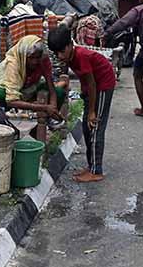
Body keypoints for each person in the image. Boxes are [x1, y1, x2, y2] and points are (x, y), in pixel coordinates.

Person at [48, 25, 116, 183]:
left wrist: (92, 111)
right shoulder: (69, 56)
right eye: (56, 53)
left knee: (95, 126)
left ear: (70, 45)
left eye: (62, 51)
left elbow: (93, 84)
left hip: (103, 85)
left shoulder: (81, 56)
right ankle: (91, 165)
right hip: (91, 88)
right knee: (86, 128)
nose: (59, 56)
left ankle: (96, 171)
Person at [0, 35, 66, 121]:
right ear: (24, 56)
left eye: (37, 57)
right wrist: (44, 107)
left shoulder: (43, 59)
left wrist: (53, 107)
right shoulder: (13, 64)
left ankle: (43, 125)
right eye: (31, 58)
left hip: (29, 89)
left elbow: (51, 87)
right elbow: (11, 100)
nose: (35, 61)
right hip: (10, 91)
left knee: (59, 92)